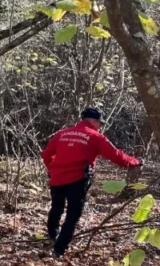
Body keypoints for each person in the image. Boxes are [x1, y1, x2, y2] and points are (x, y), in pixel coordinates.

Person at [41, 107, 142, 258]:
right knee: (73, 214)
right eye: (100, 124)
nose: (100, 127)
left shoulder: (62, 134)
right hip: (77, 180)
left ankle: (52, 235)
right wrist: (136, 162)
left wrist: (52, 169)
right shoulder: (96, 137)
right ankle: (58, 250)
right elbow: (117, 156)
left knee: (56, 207)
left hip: (57, 179)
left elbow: (46, 155)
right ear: (94, 121)